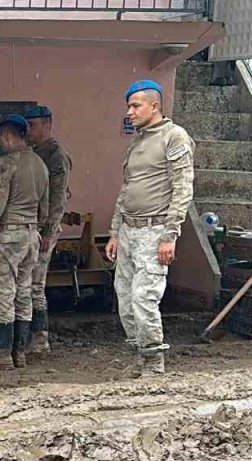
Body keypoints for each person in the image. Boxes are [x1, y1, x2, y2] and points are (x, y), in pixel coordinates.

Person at [105, 79, 195, 377]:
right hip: (130, 232)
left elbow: (183, 188)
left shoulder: (174, 137)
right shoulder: (138, 142)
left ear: (154, 106)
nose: (129, 112)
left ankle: (154, 363)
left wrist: (170, 236)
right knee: (126, 300)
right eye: (128, 106)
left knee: (144, 300)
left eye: (135, 106)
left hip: (154, 231)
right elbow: (126, 190)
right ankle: (138, 356)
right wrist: (115, 232)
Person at [0, 115, 48, 369]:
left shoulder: (7, 163)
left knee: (3, 293)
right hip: (31, 236)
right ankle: (21, 352)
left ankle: (1, 353)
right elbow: (45, 207)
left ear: (7, 136)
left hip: (9, 235)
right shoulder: (40, 164)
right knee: (24, 293)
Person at [23, 106, 73, 354]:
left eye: (33, 125)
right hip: (31, 226)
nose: (29, 130)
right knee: (25, 283)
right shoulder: (34, 153)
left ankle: (40, 337)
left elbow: (58, 197)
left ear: (47, 124)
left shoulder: (55, 155)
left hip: (44, 230)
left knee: (35, 284)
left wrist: (50, 231)